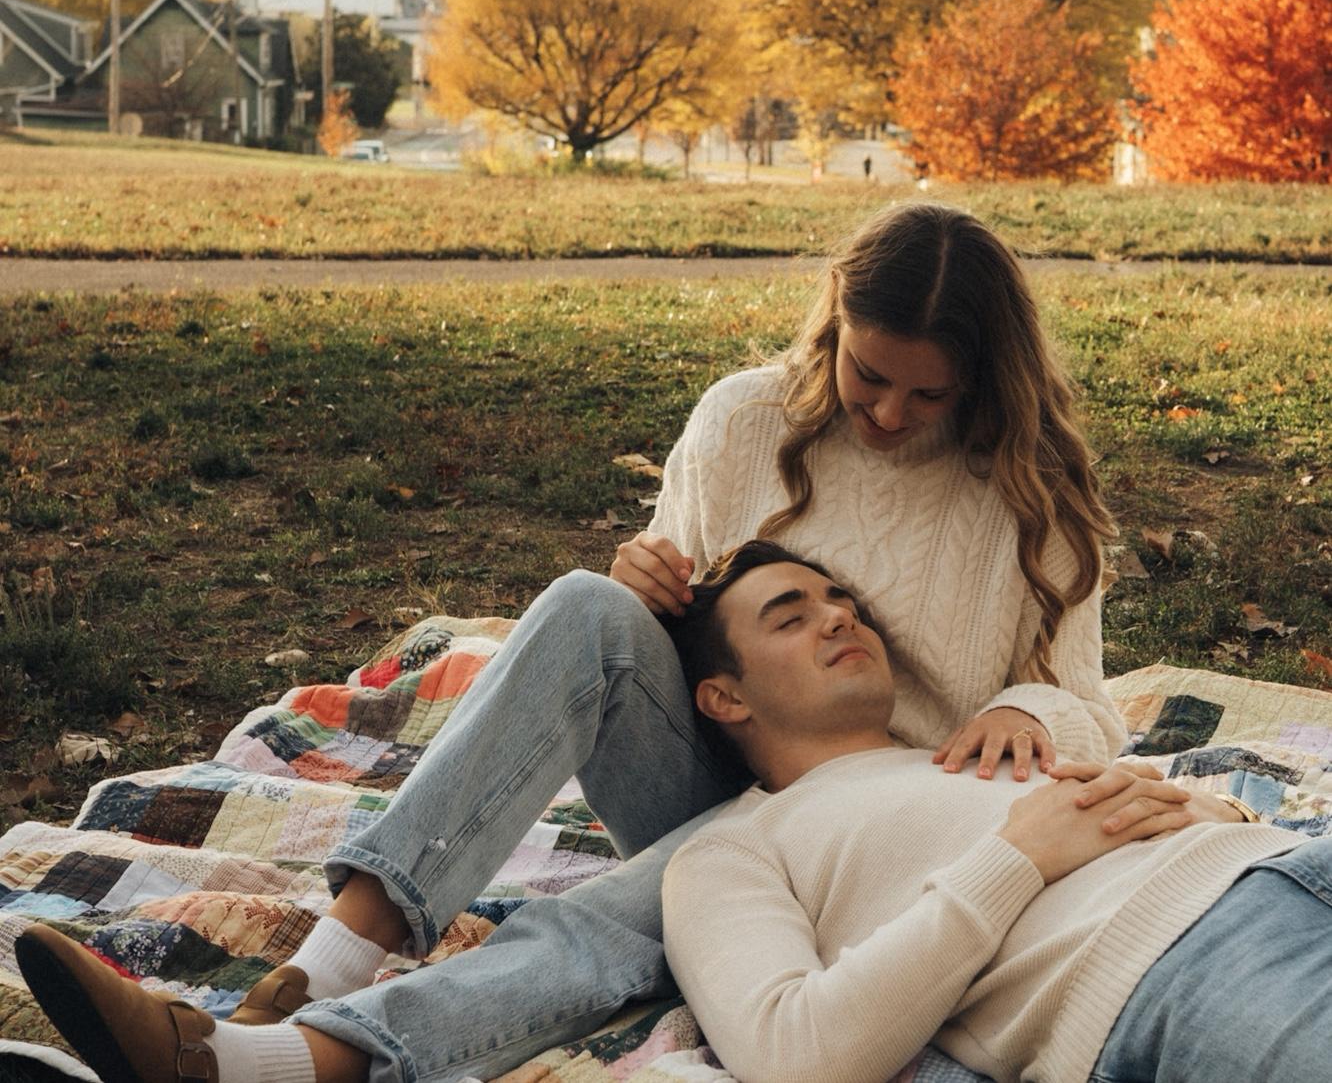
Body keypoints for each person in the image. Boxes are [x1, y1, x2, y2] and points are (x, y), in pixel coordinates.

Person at [13, 204, 1144, 1082]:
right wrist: (649, 589)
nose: (887, 414)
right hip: (718, 758)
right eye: (866, 374)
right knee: (584, 607)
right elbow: (688, 630)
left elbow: (1088, 703)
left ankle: (253, 1064)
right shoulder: (745, 420)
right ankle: (326, 957)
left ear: (983, 381)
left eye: (925, 395)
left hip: (868, 832)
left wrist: (1028, 709)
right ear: (833, 323)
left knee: (618, 917)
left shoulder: (1025, 498)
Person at [661, 541, 1322, 1083]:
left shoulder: (973, 747)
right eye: (789, 618)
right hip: (1187, 966)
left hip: (1292, 864)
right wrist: (1019, 857)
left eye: (841, 601)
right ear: (725, 699)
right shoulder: (730, 851)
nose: (839, 617)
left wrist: (1219, 812)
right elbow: (792, 1051)